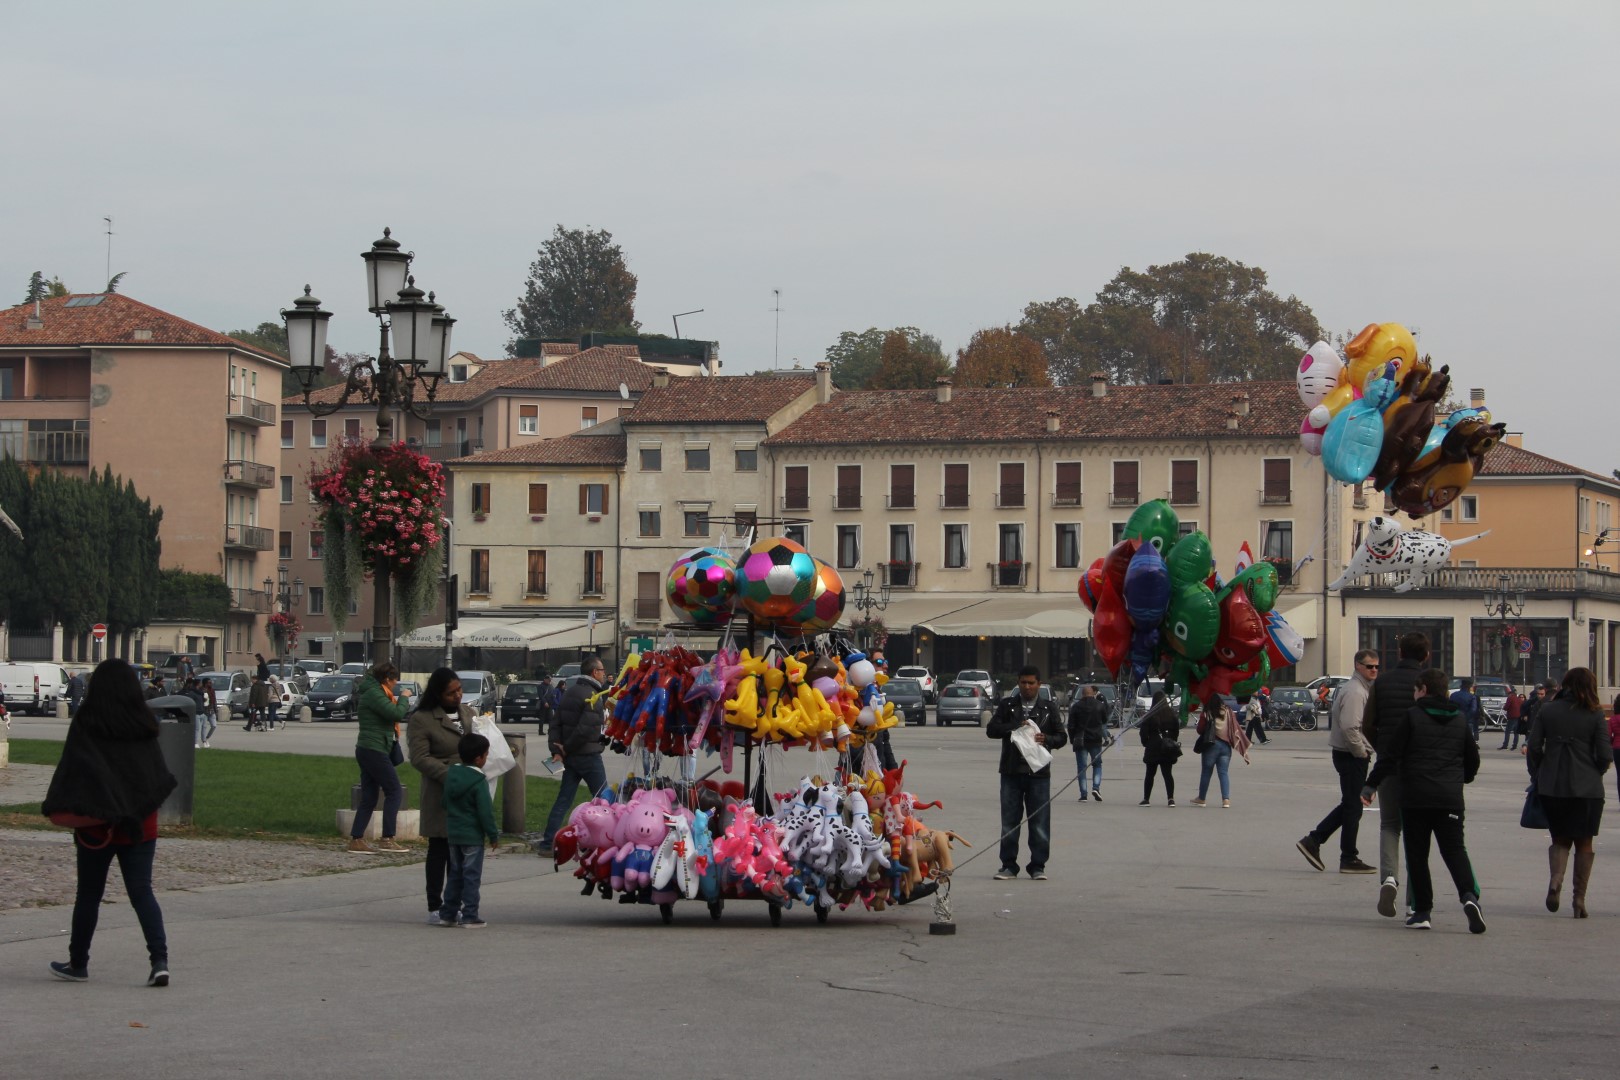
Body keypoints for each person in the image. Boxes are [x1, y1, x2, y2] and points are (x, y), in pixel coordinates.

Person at [41, 659, 177, 986]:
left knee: (88, 894)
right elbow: (152, 775)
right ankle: (159, 961)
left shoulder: (88, 722)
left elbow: (76, 772)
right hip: (140, 823)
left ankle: (78, 962)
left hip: (96, 824)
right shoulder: (144, 723)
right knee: (142, 892)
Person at [1362, 667, 1485, 934]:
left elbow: (1391, 754)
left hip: (1415, 796)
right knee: (1454, 850)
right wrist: (1463, 779)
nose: (1414, 695)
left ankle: (1422, 912)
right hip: (1450, 798)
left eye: (1415, 690)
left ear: (1423, 690)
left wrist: (1371, 784)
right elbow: (1472, 758)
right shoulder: (1460, 719)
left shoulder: (1412, 716)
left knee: (1417, 854)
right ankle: (1469, 896)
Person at [1527, 667, 1611, 918]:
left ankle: (1555, 880)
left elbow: (1533, 747)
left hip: (1553, 785)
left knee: (1560, 838)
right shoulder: (1595, 714)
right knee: (1584, 841)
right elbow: (1605, 754)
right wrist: (1595, 770)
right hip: (1587, 787)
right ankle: (1579, 900)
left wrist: (1539, 773)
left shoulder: (1547, 709)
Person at [1363, 632, 1430, 919]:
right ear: (1425, 655)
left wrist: (1384, 750)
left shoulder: (1383, 682)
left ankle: (1389, 878)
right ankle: (1415, 899)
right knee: (1417, 832)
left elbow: (1367, 724)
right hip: (1421, 766)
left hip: (1389, 765)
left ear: (1399, 653)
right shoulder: (1430, 682)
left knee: (1390, 825)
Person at [1297, 651, 1378, 873]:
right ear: (1358, 666)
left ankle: (1315, 841)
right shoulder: (1355, 691)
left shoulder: (1357, 689)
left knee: (1351, 805)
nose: (1374, 670)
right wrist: (1361, 752)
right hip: (1351, 754)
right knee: (1353, 807)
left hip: (1348, 754)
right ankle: (1346, 856)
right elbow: (1350, 726)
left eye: (1376, 667)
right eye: (1369, 666)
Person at [986, 665, 1066, 879]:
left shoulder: (1048, 708)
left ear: (1039, 684)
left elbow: (1062, 737)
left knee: (1039, 821)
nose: (1027, 687)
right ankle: (1009, 865)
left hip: (1038, 774)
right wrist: (1014, 727)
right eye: (1023, 682)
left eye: (1031, 683)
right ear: (1018, 683)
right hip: (1011, 772)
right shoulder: (1007, 705)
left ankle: (1038, 866)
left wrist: (1046, 739)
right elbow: (991, 730)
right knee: (1009, 821)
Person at [408, 667, 475, 924]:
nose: (458, 696)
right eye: (451, 693)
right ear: (437, 694)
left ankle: (454, 903)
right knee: (439, 847)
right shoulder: (422, 719)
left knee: (461, 850)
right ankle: (435, 905)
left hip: (467, 789)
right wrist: (451, 774)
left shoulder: (467, 712)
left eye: (459, 690)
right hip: (441, 789)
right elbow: (419, 757)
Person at [538, 657, 609, 857]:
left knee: (564, 799)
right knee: (605, 800)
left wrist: (557, 750)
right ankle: (608, 841)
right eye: (602, 670)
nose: (604, 674)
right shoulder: (592, 696)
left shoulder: (570, 692)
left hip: (572, 757)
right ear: (594, 672)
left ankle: (547, 844)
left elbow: (555, 723)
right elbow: (585, 730)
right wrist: (566, 748)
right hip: (587, 755)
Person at [346, 661, 411, 855]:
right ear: (386, 679)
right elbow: (397, 713)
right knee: (393, 791)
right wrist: (404, 698)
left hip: (369, 748)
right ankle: (387, 838)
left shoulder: (376, 692)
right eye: (394, 680)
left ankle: (356, 839)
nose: (396, 684)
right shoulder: (375, 694)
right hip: (373, 749)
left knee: (370, 797)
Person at [437, 732, 500, 929]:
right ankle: (470, 914)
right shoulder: (478, 781)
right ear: (478, 758)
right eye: (486, 754)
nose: (486, 758)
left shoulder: (451, 775)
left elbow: (444, 802)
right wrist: (493, 834)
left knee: (455, 874)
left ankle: (448, 913)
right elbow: (485, 812)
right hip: (472, 836)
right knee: (471, 876)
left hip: (454, 834)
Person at [1193, 693, 1250, 807]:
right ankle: (1226, 800)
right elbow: (1235, 727)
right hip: (1225, 746)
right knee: (1223, 773)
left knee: (1206, 773)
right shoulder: (1228, 712)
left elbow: (1200, 730)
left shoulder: (1206, 713)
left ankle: (1202, 798)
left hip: (1211, 746)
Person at [1138, 690, 1180, 807]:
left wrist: (1146, 743)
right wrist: (1172, 741)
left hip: (1153, 745)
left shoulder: (1150, 715)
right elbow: (1176, 731)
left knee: (1150, 774)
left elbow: (1143, 732)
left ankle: (1146, 798)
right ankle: (1170, 798)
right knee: (1167, 774)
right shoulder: (1171, 714)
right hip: (1167, 747)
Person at [1067, 684, 1108, 801]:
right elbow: (1105, 720)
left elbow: (1071, 725)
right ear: (1093, 693)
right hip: (1095, 739)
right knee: (1097, 764)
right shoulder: (1100, 705)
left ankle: (1083, 794)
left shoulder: (1076, 706)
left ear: (1082, 694)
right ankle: (1096, 787)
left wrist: (1072, 738)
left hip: (1081, 740)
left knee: (1082, 767)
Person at [1450, 677, 1482, 744]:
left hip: (1455, 720)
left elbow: (1450, 707)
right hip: (1467, 721)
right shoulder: (1472, 697)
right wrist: (1466, 717)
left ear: (1461, 686)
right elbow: (1473, 709)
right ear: (1469, 687)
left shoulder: (1453, 695)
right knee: (1467, 740)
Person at [196, 676, 218, 748]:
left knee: (214, 725)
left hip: (211, 710)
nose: (211, 684)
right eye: (209, 682)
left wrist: (216, 709)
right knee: (203, 726)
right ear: (205, 683)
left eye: (211, 682)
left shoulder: (212, 690)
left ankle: (206, 737)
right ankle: (204, 740)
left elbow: (214, 700)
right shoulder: (201, 690)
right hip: (204, 710)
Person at [1610, 694, 1620, 804]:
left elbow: (1609, 735)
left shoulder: (1612, 719)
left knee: (1619, 775)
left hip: (1617, 748)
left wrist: (1613, 742)